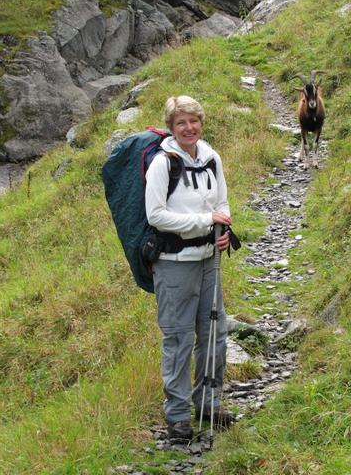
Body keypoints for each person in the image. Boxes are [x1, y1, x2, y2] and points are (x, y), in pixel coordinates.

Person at [145, 95, 234, 441]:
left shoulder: (212, 158)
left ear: (201, 122)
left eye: (194, 120)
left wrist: (223, 228)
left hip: (209, 261)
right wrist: (204, 221)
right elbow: (155, 215)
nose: (189, 127)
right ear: (170, 127)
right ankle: (179, 417)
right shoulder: (162, 164)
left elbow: (222, 202)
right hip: (174, 264)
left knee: (215, 335)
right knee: (179, 339)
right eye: (181, 122)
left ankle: (209, 403)